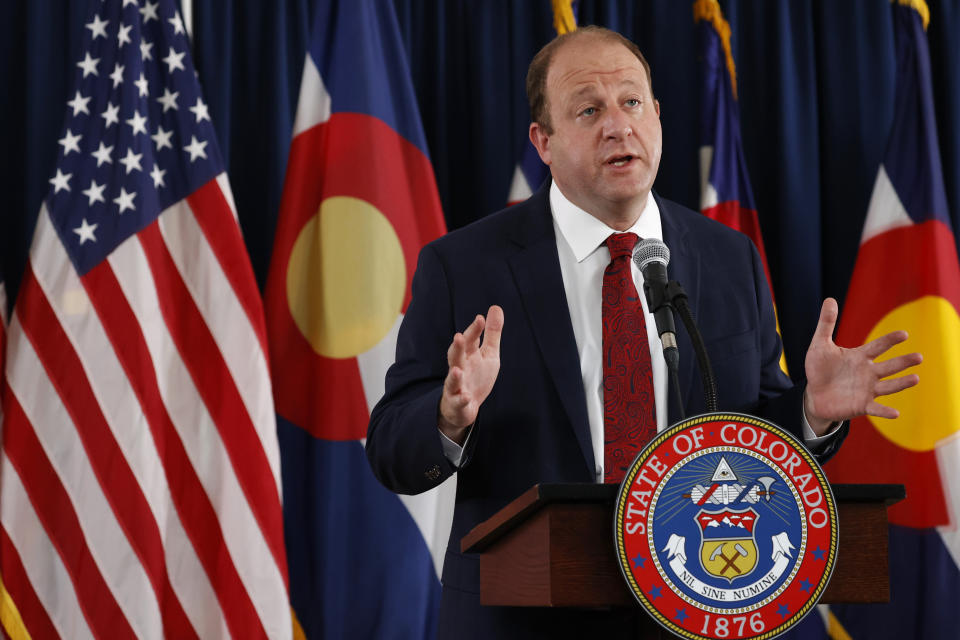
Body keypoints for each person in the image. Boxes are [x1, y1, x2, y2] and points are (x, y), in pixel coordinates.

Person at [366, 26, 921, 639]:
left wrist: (811, 411)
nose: (617, 125)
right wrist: (449, 416)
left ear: (657, 117)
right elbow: (391, 450)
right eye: (589, 109)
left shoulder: (727, 256)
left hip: (700, 608)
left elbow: (750, 436)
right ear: (543, 142)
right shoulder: (464, 265)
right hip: (523, 618)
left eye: (631, 102)